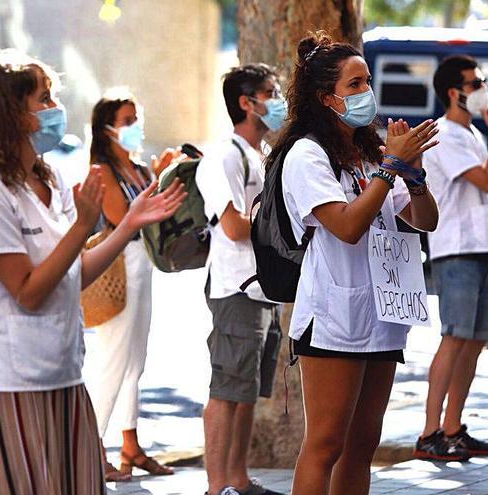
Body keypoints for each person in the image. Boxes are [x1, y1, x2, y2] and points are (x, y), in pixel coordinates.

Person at [0, 51, 186, 495]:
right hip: (7, 380)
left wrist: (129, 222)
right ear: (10, 112)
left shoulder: (50, 178)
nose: (55, 107)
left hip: (62, 372)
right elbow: (28, 291)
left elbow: (73, 273)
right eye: (43, 98)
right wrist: (81, 226)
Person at [275, 32, 440, 495]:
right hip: (334, 315)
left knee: (363, 442)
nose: (366, 91)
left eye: (367, 80)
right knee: (326, 442)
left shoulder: (371, 152)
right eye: (354, 84)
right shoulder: (306, 154)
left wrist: (414, 173)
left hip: (384, 311)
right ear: (326, 98)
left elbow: (425, 220)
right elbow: (346, 226)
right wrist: (390, 172)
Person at [415, 54, 488, 461]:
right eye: (475, 82)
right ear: (454, 92)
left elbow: (478, 190)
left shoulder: (471, 135)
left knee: (475, 341)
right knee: (454, 337)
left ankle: (453, 428)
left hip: (483, 247)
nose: (483, 88)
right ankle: (430, 432)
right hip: (458, 250)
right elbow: (485, 178)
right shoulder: (445, 134)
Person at [195, 64, 286, 495]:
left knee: (247, 389)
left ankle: (237, 480)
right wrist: (280, 224)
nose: (279, 99)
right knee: (227, 388)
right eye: (271, 92)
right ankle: (218, 487)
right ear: (247, 103)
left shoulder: (260, 155)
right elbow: (232, 226)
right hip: (236, 287)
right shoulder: (224, 156)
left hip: (262, 288)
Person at [82, 88, 177, 482]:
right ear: (106, 130)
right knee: (111, 360)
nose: (135, 127)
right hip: (117, 269)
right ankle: (90, 448)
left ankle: (130, 444)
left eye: (137, 119)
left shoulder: (138, 168)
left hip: (144, 266)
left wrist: (162, 176)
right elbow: (125, 219)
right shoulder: (102, 172)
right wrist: (158, 184)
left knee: (135, 361)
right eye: (126, 121)